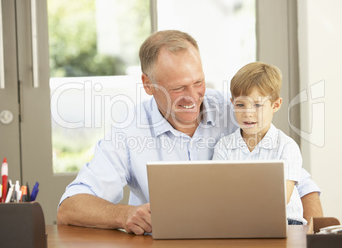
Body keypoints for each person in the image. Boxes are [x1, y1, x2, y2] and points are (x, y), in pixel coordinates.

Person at [57, 30, 322, 234]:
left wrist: (316, 238)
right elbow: (69, 208)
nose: (192, 97)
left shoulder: (237, 110)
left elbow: (304, 187)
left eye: (198, 82)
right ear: (148, 85)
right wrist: (125, 214)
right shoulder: (129, 131)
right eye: (178, 88)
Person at [212, 62, 306, 225]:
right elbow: (219, 193)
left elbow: (281, 199)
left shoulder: (287, 147)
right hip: (238, 220)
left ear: (275, 105)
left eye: (257, 105)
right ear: (232, 103)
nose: (248, 113)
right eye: (240, 105)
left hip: (285, 221)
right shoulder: (224, 146)